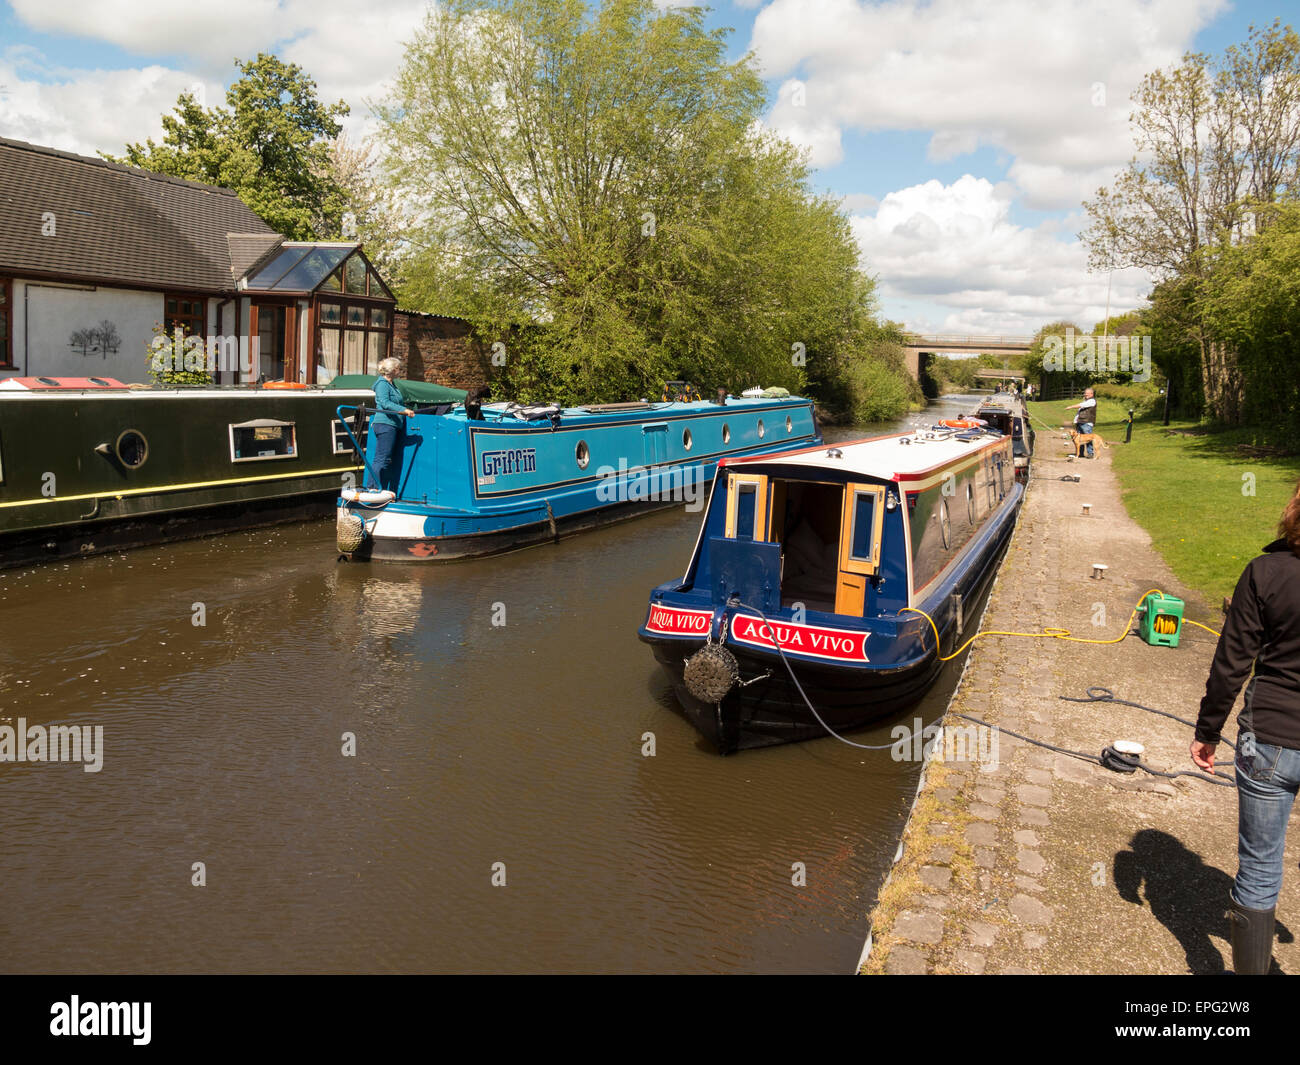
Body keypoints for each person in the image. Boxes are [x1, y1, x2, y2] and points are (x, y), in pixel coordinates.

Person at [1192, 483, 1300, 974]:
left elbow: (1231, 664)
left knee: (1259, 867)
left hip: (1271, 738)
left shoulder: (1267, 572)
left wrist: (1208, 731)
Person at [366, 357, 414, 491]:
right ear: (393, 370)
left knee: (385, 458)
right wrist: (404, 411)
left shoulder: (391, 384)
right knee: (382, 458)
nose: (400, 371)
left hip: (392, 424)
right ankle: (372, 487)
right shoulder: (382, 384)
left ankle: (378, 487)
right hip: (385, 424)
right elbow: (385, 403)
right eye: (399, 368)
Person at [1065, 387, 1097, 457]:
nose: (1085, 395)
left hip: (1087, 422)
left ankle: (1090, 453)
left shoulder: (1092, 401)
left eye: (1087, 393)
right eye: (1085, 393)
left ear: (1092, 394)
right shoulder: (1085, 401)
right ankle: (1080, 453)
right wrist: (1075, 421)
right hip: (1080, 422)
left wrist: (1071, 407)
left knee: (1088, 438)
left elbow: (1081, 405)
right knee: (1078, 439)